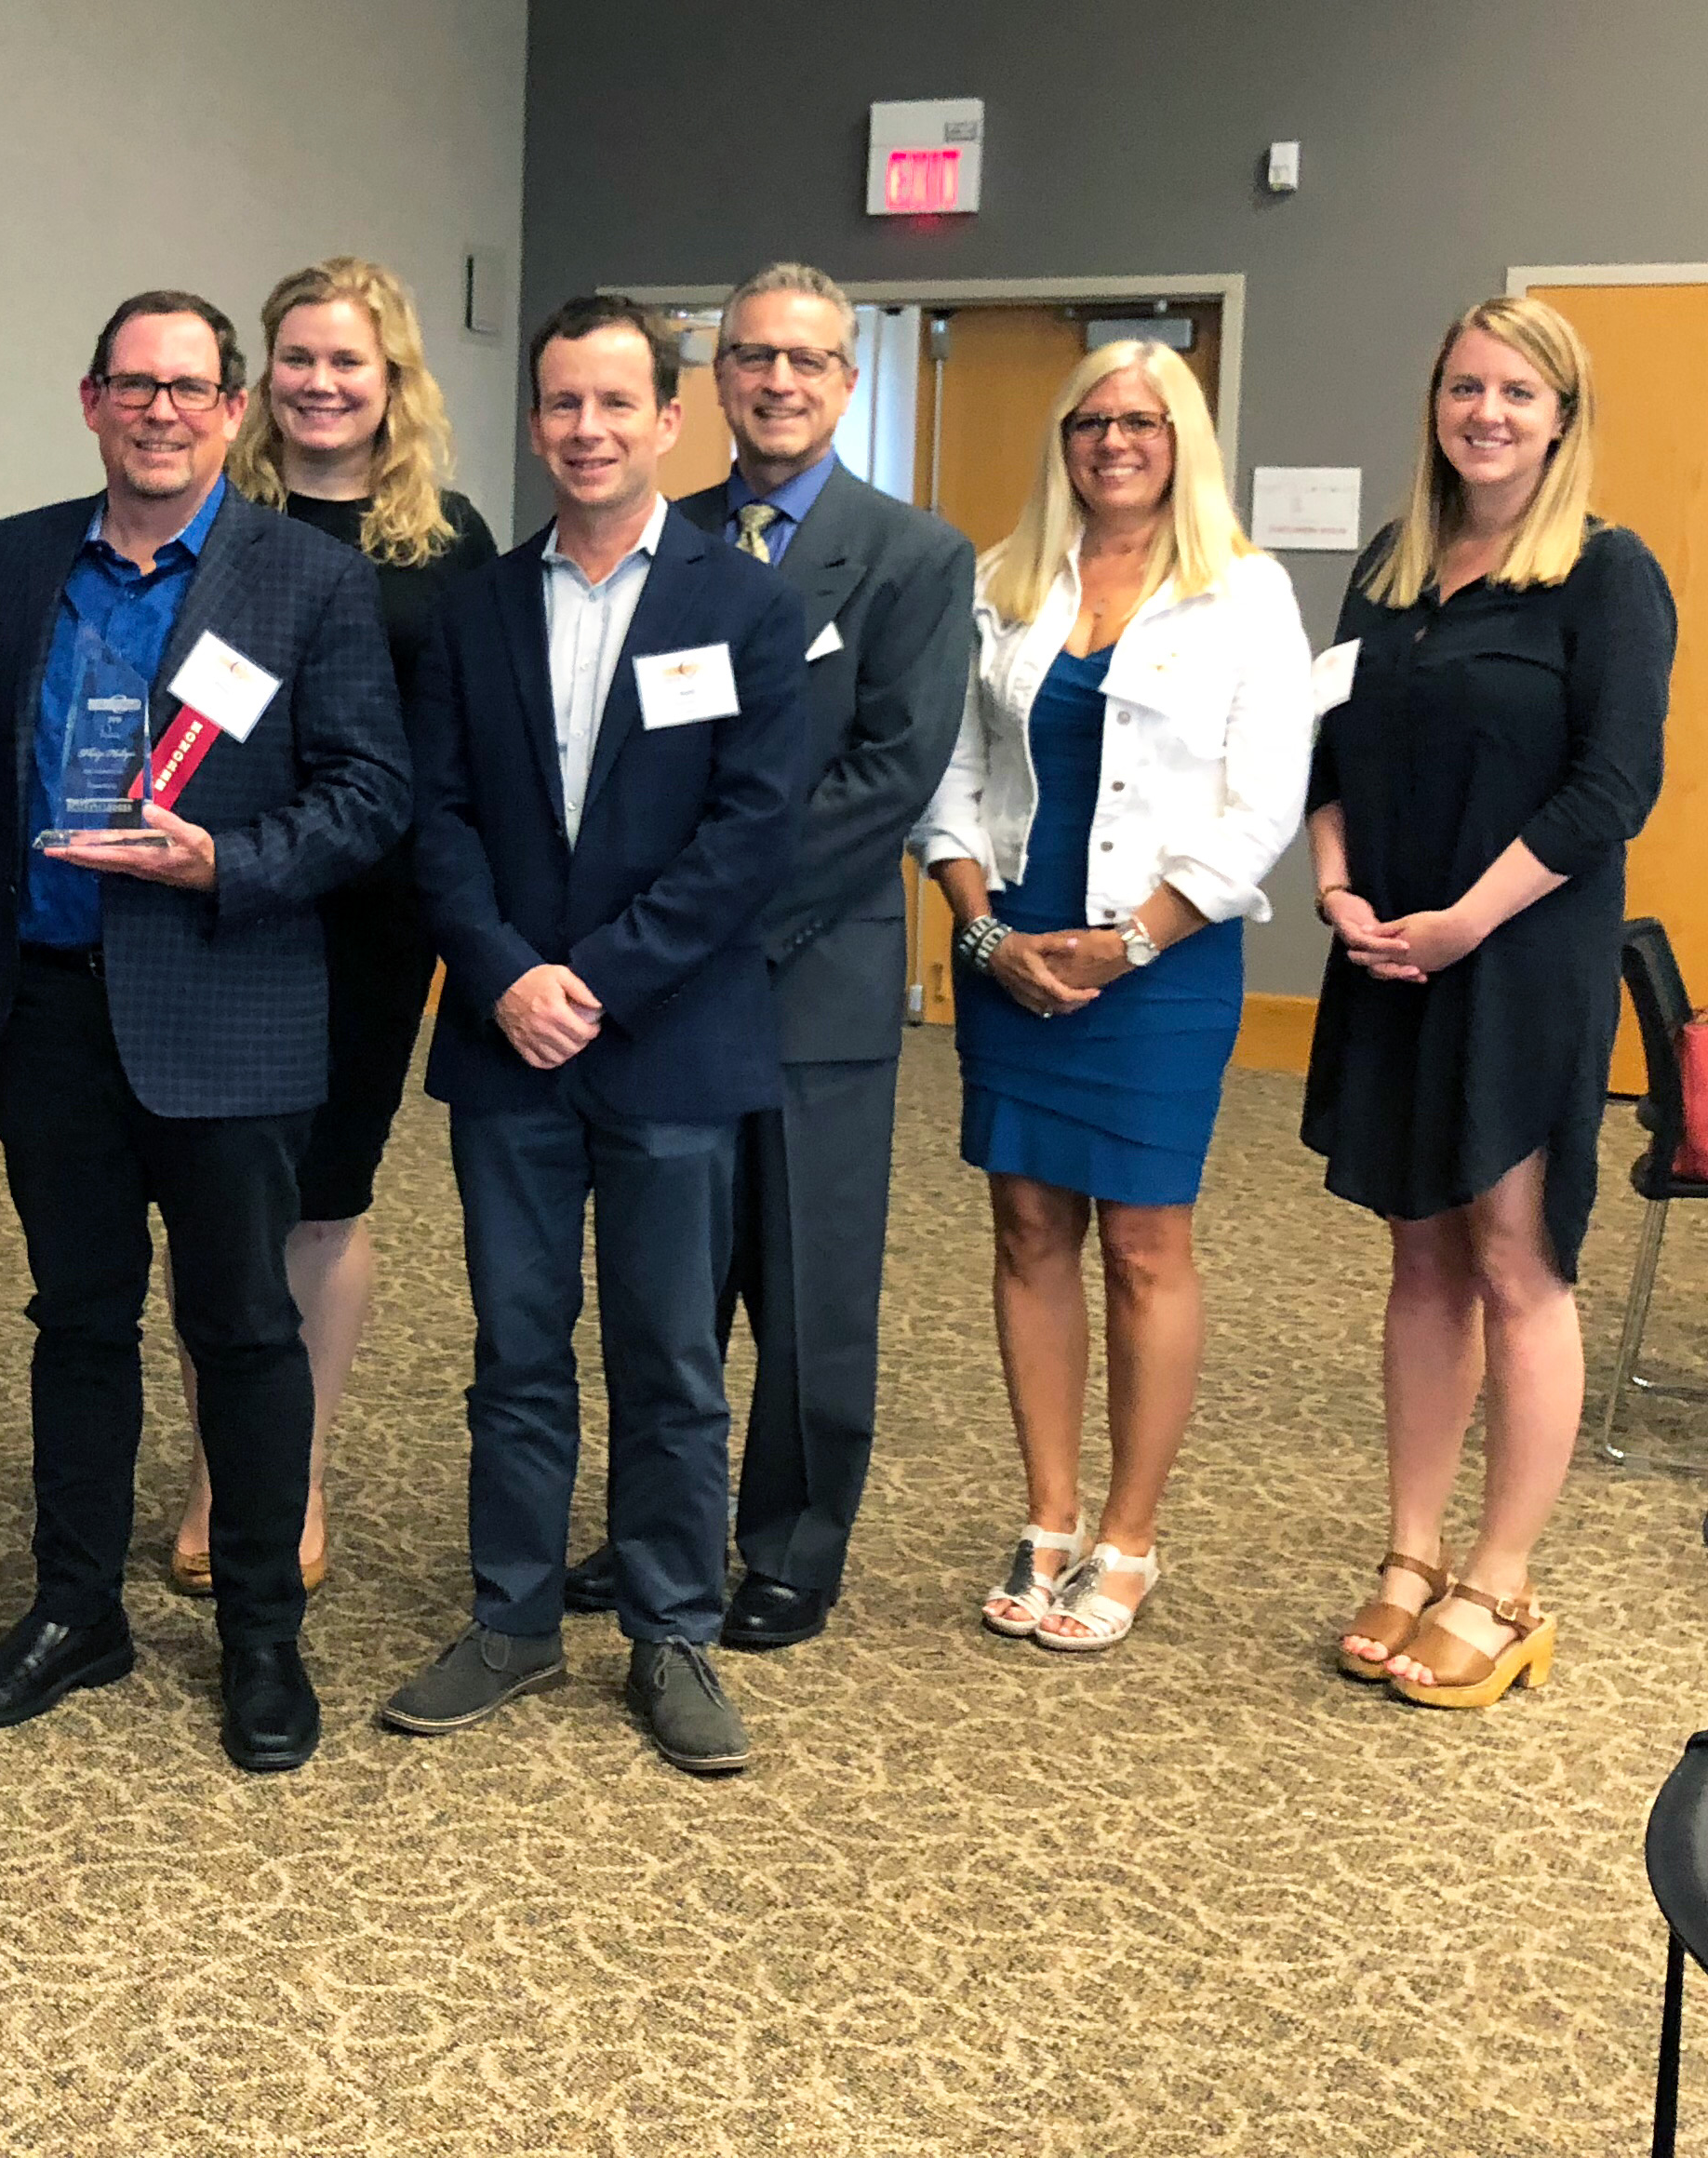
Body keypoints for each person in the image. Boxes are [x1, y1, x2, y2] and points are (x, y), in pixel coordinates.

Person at [0, 289, 410, 1774]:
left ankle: (262, 1635)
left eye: (190, 389)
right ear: (90, 402)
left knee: (243, 1328)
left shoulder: (305, 580)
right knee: (75, 1323)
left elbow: (371, 793)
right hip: (50, 1008)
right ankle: (78, 1611)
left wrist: (225, 863)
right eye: (133, 386)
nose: (160, 412)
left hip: (227, 999)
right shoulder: (11, 561)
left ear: (232, 407)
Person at [385, 293, 806, 1774]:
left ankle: (674, 1630)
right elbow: (432, 821)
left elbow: (752, 834)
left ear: (669, 422)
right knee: (514, 1348)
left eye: (616, 405)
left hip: (673, 1042)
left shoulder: (747, 608)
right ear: (536, 419)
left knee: (674, 1354)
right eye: (562, 404)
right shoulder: (474, 608)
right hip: (509, 1040)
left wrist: (600, 980)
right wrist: (506, 975)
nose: (586, 430)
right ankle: (510, 1619)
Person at [564, 263, 974, 1648]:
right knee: (664, 1283)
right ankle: (652, 1536)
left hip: (809, 978)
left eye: (808, 360)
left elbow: (891, 774)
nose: (779, 382)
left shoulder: (914, 555)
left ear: (848, 381)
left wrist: (710, 906)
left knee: (807, 1292)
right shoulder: (655, 535)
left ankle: (793, 1548)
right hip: (667, 986)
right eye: (752, 358)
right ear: (714, 382)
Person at [914, 340, 1309, 1656]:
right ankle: (1048, 1516)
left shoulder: (1244, 595)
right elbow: (953, 771)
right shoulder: (1002, 583)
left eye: (1143, 420)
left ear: (1182, 437)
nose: (1115, 442)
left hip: (1165, 963)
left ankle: (1130, 1536)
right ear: (1064, 442)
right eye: (1091, 420)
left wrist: (1128, 943)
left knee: (1145, 1247)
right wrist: (983, 932)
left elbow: (1266, 802)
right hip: (1012, 960)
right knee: (1027, 1229)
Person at [1312, 296, 1673, 1709]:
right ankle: (1411, 1554)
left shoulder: (1604, 573)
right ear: (1437, 406)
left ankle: (1503, 1580)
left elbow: (1611, 787)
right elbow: (1322, 747)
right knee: (1420, 1259)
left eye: (1519, 393)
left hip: (1516, 957)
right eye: (1467, 388)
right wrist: (1340, 892)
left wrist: (1468, 918)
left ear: (1561, 416)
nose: (1488, 415)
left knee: (1517, 1262)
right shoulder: (1391, 569)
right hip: (1391, 950)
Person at [143, 257, 495, 1601]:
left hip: (369, 924)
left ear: (391, 379)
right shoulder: (209, 519)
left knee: (325, 1203)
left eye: (350, 361)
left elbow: (460, 750)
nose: (322, 383)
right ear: (259, 383)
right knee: (224, 1205)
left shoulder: (446, 542)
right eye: (298, 359)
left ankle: (292, 1476)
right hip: (219, 903)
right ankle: (220, 1470)